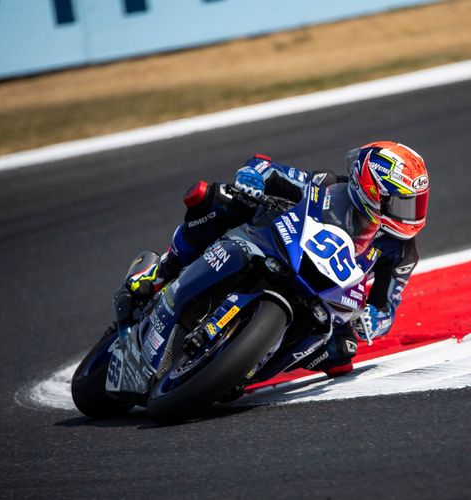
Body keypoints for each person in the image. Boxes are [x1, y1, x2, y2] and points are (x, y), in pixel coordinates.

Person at [122, 141, 430, 377]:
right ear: (370, 189)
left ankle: (248, 366)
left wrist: (373, 322)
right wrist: (253, 177)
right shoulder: (326, 185)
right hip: (280, 245)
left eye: (416, 203)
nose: (411, 214)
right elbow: (269, 169)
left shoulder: (402, 252)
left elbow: (387, 308)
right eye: (402, 204)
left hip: (328, 292)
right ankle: (161, 271)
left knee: (342, 353)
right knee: (217, 199)